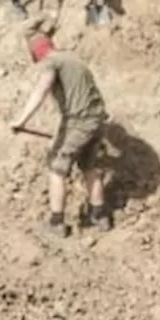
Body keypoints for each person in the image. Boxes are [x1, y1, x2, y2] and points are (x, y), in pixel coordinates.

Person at [10, 30, 111, 237]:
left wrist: (21, 120)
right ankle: (99, 216)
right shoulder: (73, 59)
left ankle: (56, 223)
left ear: (37, 54)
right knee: (91, 168)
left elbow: (41, 90)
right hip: (97, 121)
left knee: (57, 169)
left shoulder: (51, 63)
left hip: (79, 123)